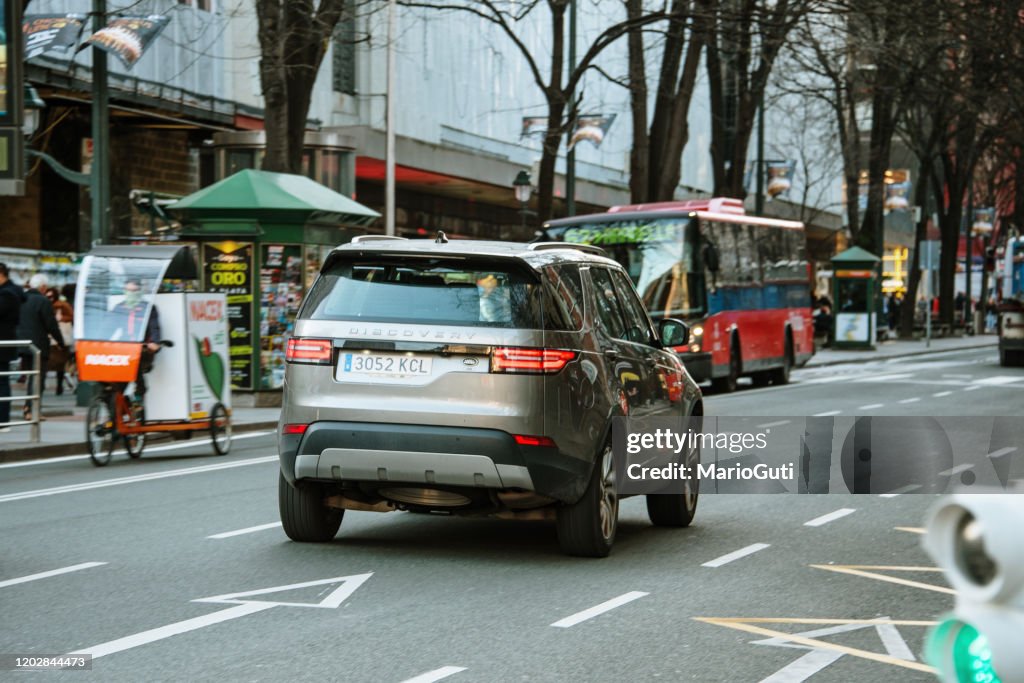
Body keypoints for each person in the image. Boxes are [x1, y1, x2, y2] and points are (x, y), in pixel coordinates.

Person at [17, 274, 67, 419]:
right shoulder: (43, 301)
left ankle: (29, 407)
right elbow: (51, 325)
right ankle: (31, 410)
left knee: (31, 377)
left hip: (21, 344)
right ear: (43, 287)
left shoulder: (21, 298)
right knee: (38, 379)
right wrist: (61, 342)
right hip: (38, 346)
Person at [109, 278, 162, 401]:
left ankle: (139, 393)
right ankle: (115, 402)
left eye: (134, 291)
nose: (131, 293)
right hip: (124, 348)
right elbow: (108, 327)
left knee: (135, 366)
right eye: (128, 290)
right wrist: (98, 340)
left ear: (140, 291)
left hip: (142, 349)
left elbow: (154, 327)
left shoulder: (148, 308)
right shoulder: (119, 308)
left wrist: (154, 342)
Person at [0, 264, 26, 431]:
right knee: (2, 381)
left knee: (2, 382)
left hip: (2, 344)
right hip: (5, 343)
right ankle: (3, 420)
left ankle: (3, 420)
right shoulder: (13, 291)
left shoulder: (7, 294)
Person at [45, 287, 74, 395]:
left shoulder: (63, 305)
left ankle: (59, 385)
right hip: (51, 339)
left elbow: (71, 316)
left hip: (61, 338)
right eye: (48, 296)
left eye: (51, 296)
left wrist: (61, 318)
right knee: (48, 363)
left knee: (60, 365)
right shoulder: (46, 305)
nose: (50, 298)